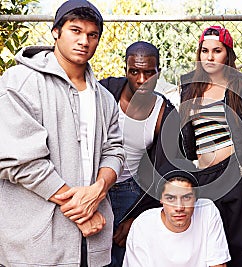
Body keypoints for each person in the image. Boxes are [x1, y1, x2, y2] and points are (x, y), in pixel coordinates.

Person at [0, 0, 125, 266]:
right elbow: (19, 161)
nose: (84, 41)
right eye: (75, 31)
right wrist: (83, 212)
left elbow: (114, 151)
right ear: (55, 31)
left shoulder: (104, 98)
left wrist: (99, 191)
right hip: (37, 246)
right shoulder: (19, 83)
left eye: (92, 35)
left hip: (92, 245)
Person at [180, 26, 242, 267]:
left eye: (217, 51)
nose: (210, 56)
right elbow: (186, 137)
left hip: (238, 175)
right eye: (204, 50)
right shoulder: (190, 89)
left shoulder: (241, 87)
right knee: (210, 249)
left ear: (227, 54)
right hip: (205, 179)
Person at [99, 41, 180, 266]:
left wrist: (138, 215)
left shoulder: (164, 113)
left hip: (132, 192)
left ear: (158, 72)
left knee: (125, 255)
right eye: (134, 71)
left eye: (149, 72)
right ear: (125, 70)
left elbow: (165, 169)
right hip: (94, 184)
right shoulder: (104, 93)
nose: (142, 80)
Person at [122, 161, 231, 267]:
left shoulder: (207, 210)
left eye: (186, 197)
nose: (179, 207)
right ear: (160, 198)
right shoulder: (143, 224)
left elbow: (218, 263)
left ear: (196, 197)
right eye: (171, 198)